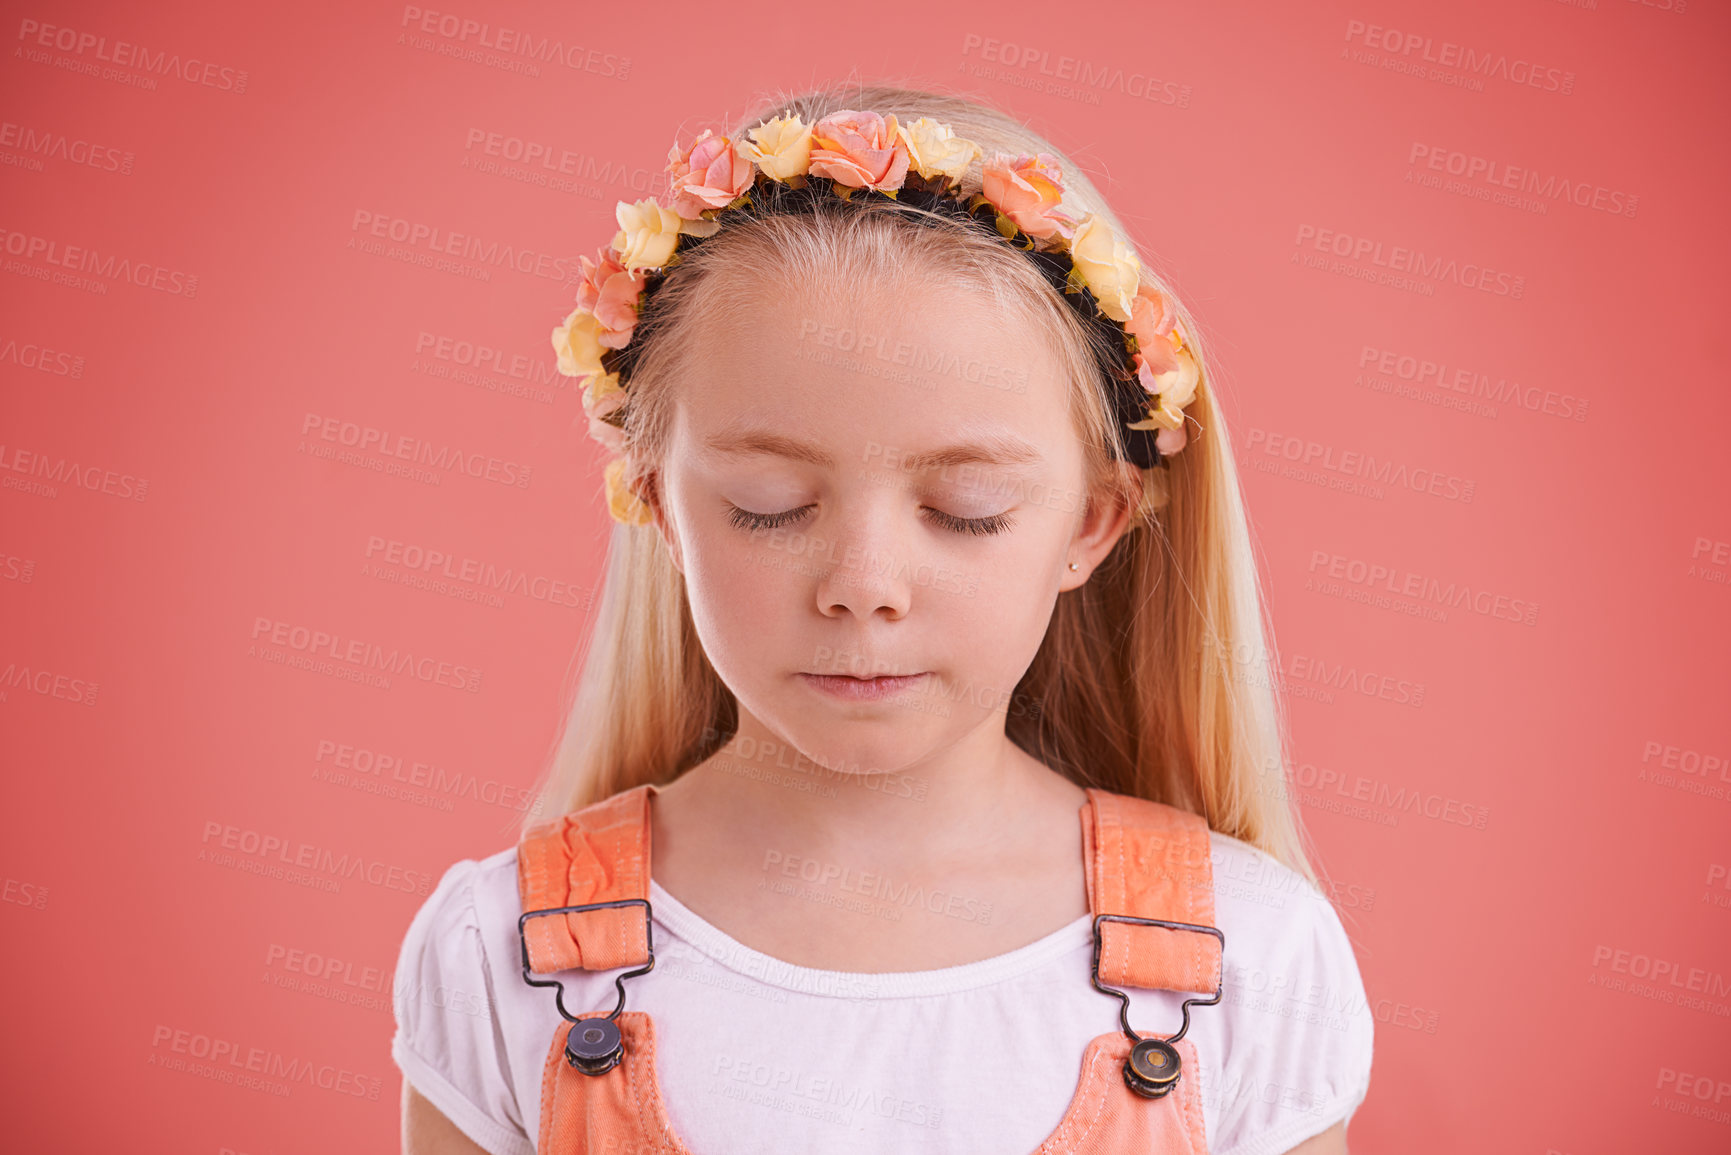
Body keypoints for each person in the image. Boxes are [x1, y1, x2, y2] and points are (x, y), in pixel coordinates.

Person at [392, 81, 1374, 1155]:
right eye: (769, 507)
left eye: (968, 513)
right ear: (659, 502)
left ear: (1093, 524)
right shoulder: (498, 958)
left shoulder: (1255, 963)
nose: (863, 584)